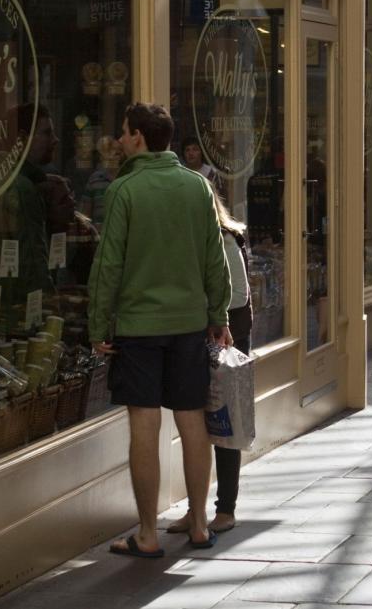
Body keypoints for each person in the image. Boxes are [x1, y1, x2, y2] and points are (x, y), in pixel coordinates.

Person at [88, 102, 232, 558]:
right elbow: (216, 259)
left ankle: (148, 533)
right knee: (193, 421)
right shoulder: (197, 188)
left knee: (145, 427)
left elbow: (108, 265)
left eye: (125, 132)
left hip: (138, 327)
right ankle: (199, 526)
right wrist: (219, 316)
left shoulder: (124, 190)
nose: (120, 139)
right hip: (189, 325)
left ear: (139, 138)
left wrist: (98, 323)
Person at [168, 182, 252, 536]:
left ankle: (225, 508)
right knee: (197, 422)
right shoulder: (192, 238)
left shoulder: (224, 237)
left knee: (223, 418)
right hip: (197, 334)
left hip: (222, 336)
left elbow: (235, 295)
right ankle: (196, 509)